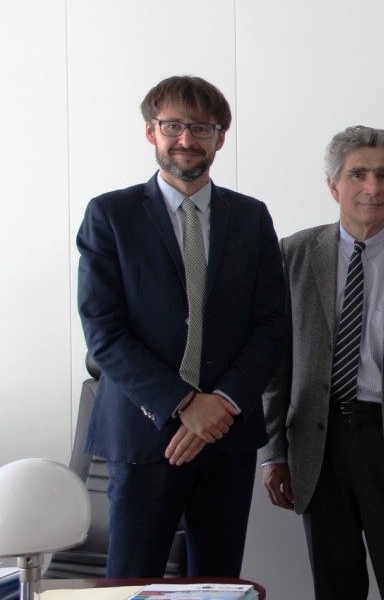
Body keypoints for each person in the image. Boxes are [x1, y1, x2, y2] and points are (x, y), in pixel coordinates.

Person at [76, 75, 289, 577]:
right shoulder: (111, 215)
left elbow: (272, 325)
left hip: (227, 435)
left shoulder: (251, 217)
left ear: (220, 137)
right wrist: (185, 404)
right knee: (133, 583)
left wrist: (222, 404)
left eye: (201, 127)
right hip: (144, 432)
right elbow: (103, 331)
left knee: (218, 583)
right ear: (151, 131)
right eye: (173, 126)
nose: (187, 139)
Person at [260, 126, 384, 600]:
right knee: (336, 587)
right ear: (334, 185)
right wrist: (273, 452)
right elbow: (275, 366)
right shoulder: (292, 256)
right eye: (358, 174)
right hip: (318, 444)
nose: (373, 187)